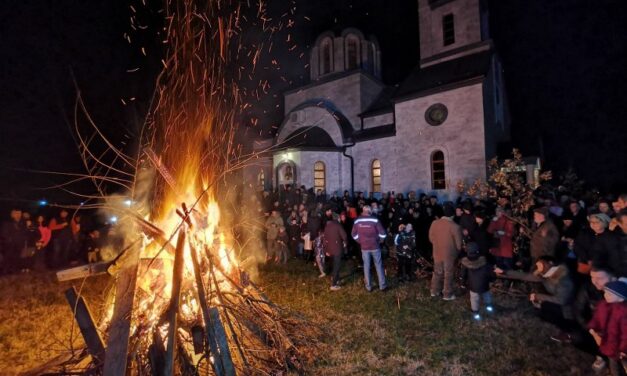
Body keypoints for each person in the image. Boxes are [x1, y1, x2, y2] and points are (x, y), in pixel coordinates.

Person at [588, 279, 627, 376]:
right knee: (613, 363)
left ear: (620, 299)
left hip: (618, 346)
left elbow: (625, 334)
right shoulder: (603, 305)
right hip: (608, 342)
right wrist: (593, 327)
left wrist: (623, 349)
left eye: (609, 294)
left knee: (624, 361)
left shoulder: (623, 312)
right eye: (605, 292)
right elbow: (596, 317)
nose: (605, 295)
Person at [429, 202, 463, 300]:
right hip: (450, 254)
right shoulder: (455, 227)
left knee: (437, 272)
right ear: (452, 214)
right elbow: (459, 244)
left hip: (437, 252)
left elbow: (431, 238)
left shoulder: (434, 223)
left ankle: (434, 291)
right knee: (448, 273)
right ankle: (447, 294)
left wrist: (437, 245)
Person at [351, 206, 387, 291]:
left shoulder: (357, 220)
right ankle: (382, 286)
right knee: (378, 265)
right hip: (375, 246)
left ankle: (368, 287)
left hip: (364, 247)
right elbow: (383, 233)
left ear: (363, 211)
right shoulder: (375, 220)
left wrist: (360, 241)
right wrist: (380, 241)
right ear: (370, 211)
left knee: (366, 266)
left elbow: (353, 234)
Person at [461, 242, 495, 320]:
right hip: (484, 284)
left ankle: (475, 312)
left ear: (467, 251)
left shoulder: (465, 263)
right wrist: (492, 279)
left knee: (474, 298)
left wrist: (463, 283)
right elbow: (490, 273)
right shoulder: (484, 261)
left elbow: (463, 275)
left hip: (473, 286)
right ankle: (489, 306)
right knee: (486, 295)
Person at [324, 213, 347, 291]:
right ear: (338, 218)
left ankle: (336, 279)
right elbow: (344, 236)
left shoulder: (327, 225)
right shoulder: (338, 225)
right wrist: (345, 243)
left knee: (334, 264)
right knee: (337, 266)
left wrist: (326, 250)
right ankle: (333, 285)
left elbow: (325, 239)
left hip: (330, 249)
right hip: (337, 249)